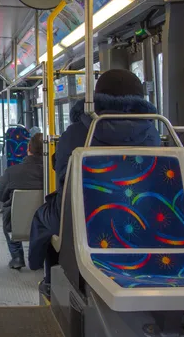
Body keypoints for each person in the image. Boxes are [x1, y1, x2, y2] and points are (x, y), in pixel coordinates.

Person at [28, 69, 161, 298]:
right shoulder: (154, 132)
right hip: (142, 213)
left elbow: (63, 175)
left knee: (44, 218)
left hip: (87, 215)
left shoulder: (78, 131)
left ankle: (49, 281)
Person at [0, 133, 44, 269]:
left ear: (28, 148)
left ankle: (17, 257)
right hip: (45, 223)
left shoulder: (12, 172)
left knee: (8, 211)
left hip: (16, 223)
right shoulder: (51, 172)